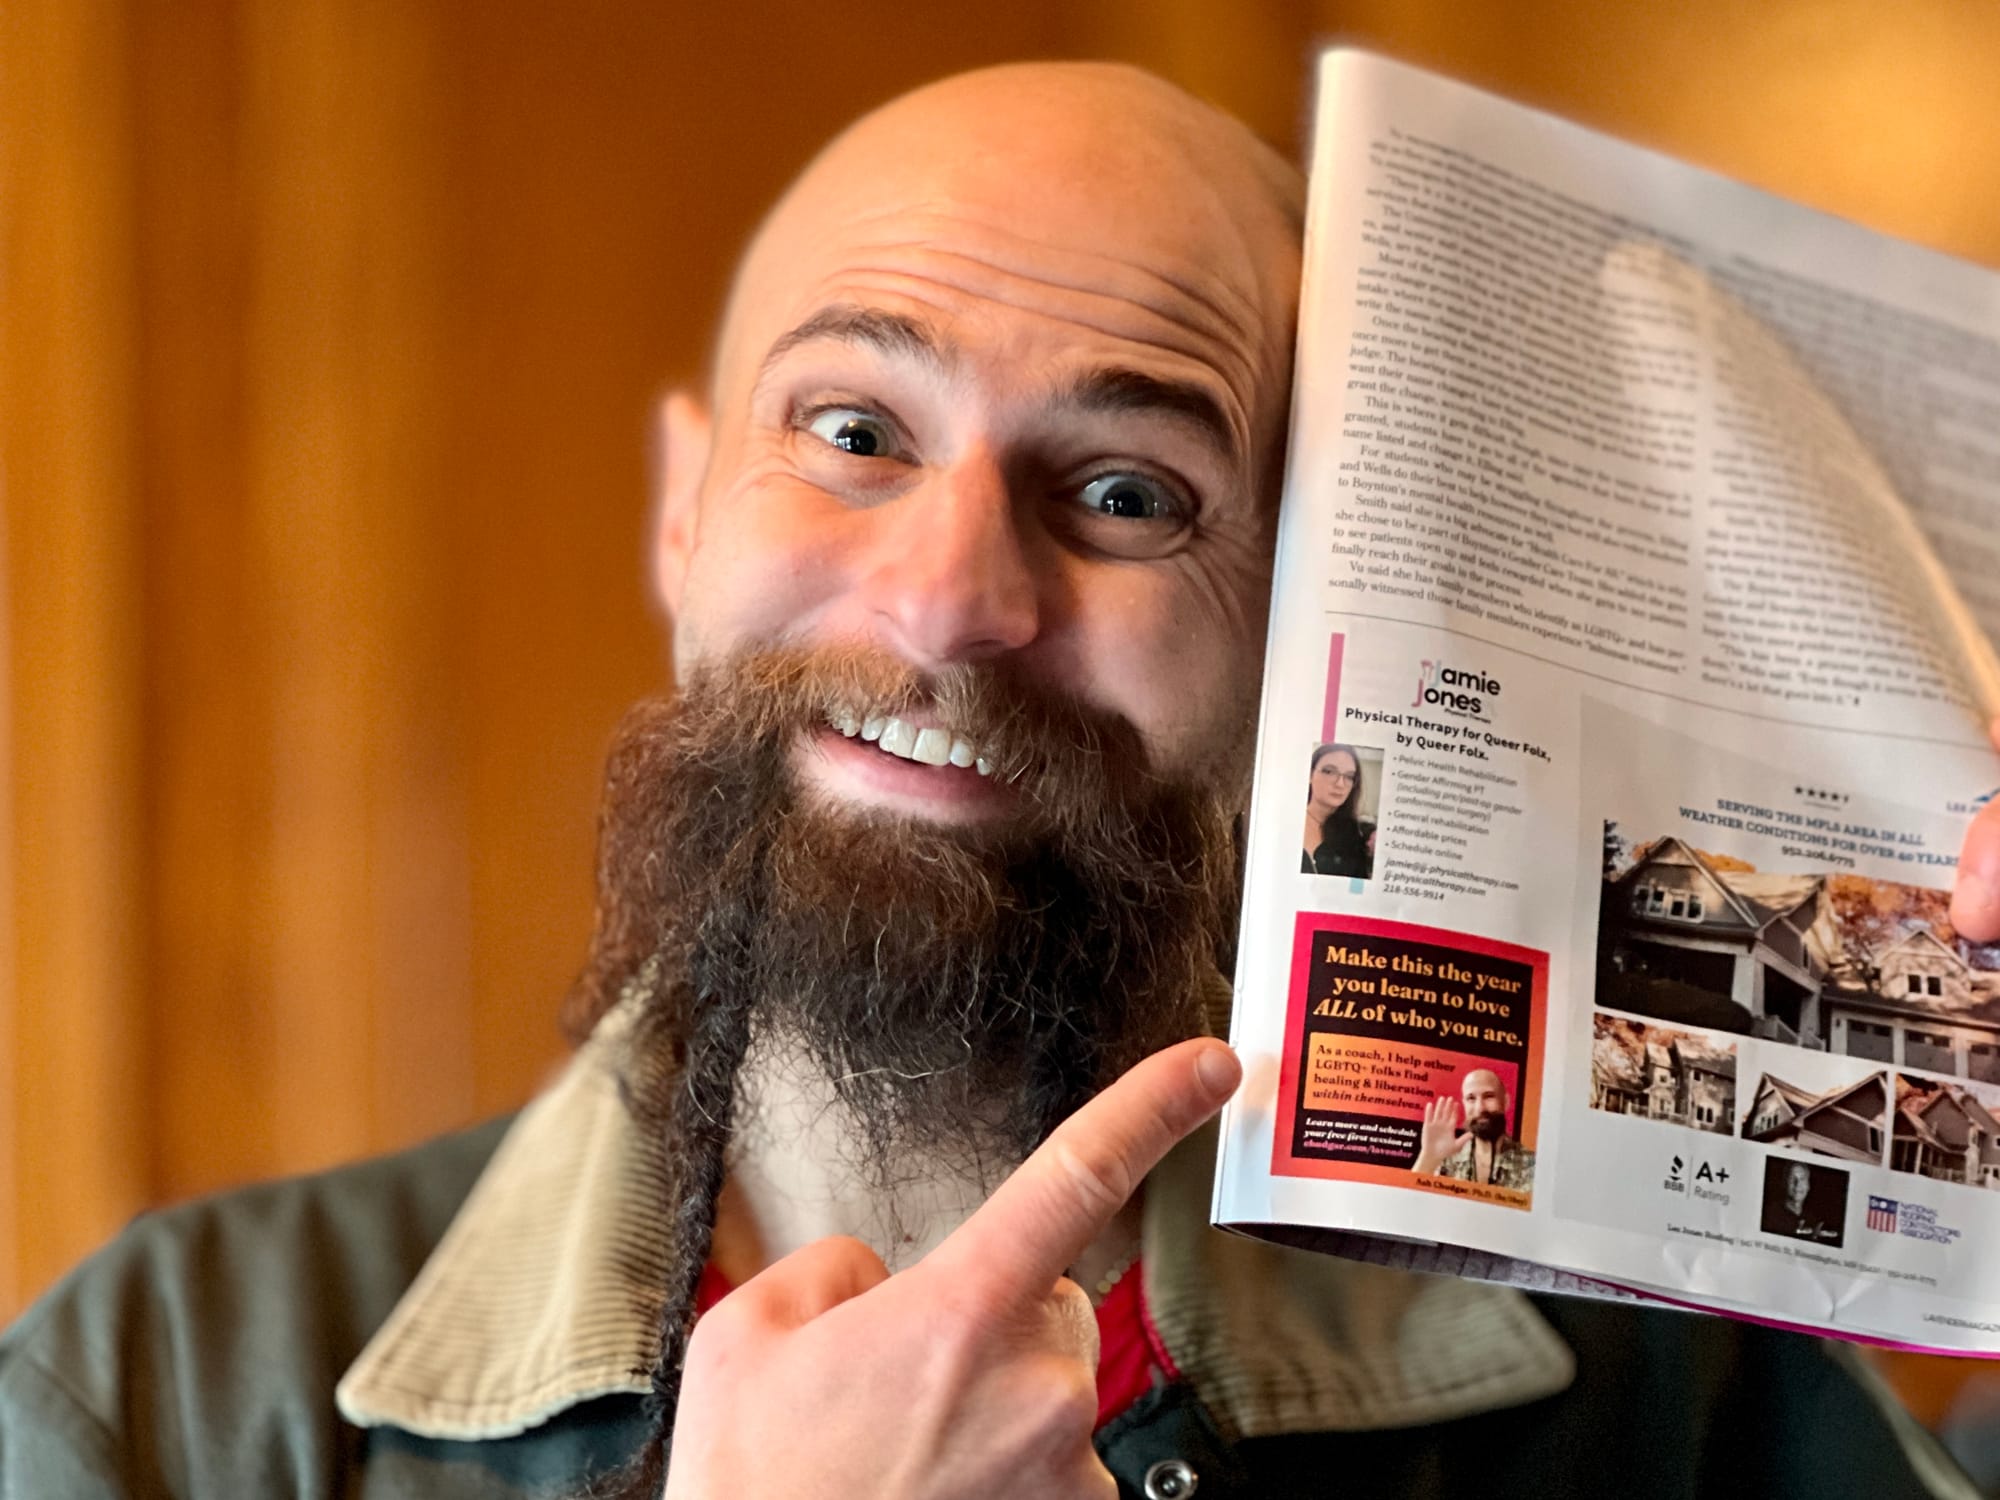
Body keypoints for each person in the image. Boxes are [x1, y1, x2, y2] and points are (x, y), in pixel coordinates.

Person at [3, 59, 1999, 1500]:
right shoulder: (164, 1397)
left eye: (1127, 492)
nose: (951, 601)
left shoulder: (1685, 1406)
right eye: (856, 429)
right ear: (686, 510)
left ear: (1316, 622)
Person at [1412, 1067, 1537, 1191]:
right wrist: (1428, 1157)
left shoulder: (1532, 1166)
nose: (1480, 1108)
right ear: (1464, 1104)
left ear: (1506, 1101)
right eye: (1471, 1098)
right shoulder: (1446, 1159)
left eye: (1488, 1096)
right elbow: (1409, 1203)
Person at [1301, 741, 1375, 878]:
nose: (1340, 784)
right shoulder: (1286, 821)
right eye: (1329, 771)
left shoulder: (1356, 836)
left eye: (1349, 777)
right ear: (1310, 774)